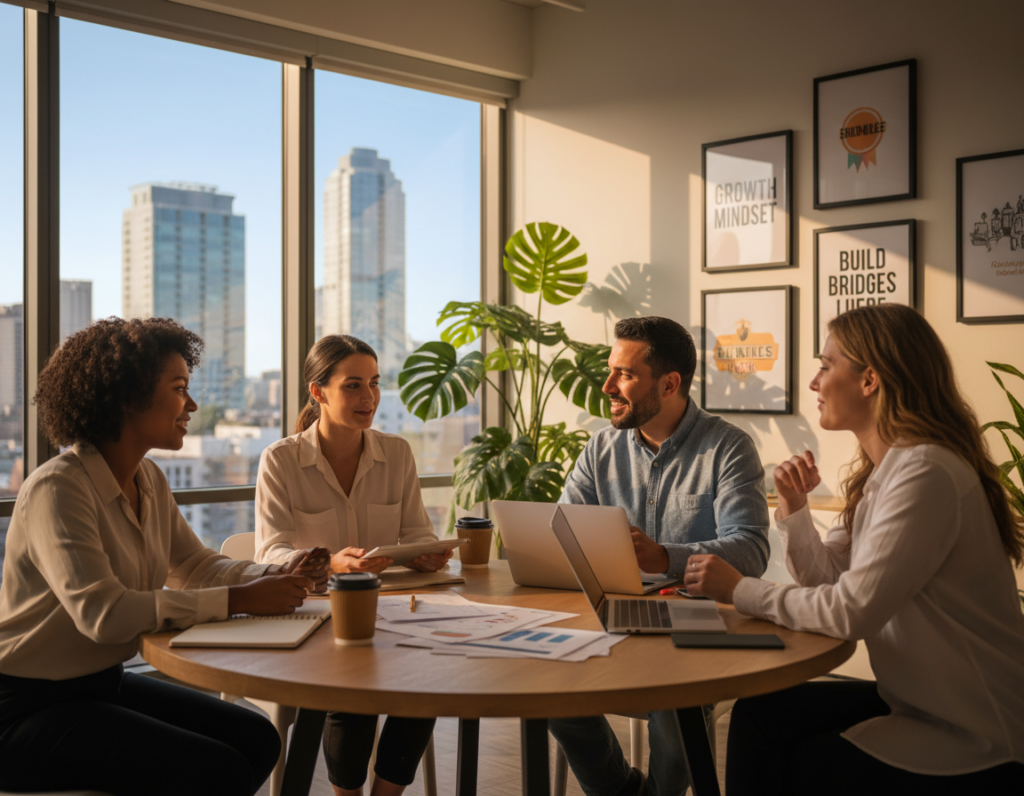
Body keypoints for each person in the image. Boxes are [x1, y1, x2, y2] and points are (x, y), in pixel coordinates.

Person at [686, 304, 1024, 795]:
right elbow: (829, 584)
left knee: (792, 765)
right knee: (760, 716)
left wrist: (741, 590)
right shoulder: (888, 472)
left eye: (826, 366)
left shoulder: (925, 473)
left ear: (870, 380)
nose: (814, 383)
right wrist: (796, 509)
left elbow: (851, 612)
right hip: (921, 700)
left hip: (973, 729)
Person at [0, 317, 321, 796]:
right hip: (25, 707)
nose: (192, 405)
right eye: (178, 388)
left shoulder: (148, 478)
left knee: (256, 739)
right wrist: (239, 598)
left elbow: (195, 566)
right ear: (127, 396)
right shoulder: (58, 488)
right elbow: (104, 615)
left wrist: (274, 574)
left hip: (100, 685)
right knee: (218, 771)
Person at [549, 316, 770, 796]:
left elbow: (751, 550)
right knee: (545, 684)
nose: (607, 384)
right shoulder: (600, 449)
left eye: (624, 374)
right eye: (611, 370)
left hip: (695, 621)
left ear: (669, 384)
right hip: (612, 617)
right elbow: (563, 532)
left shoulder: (728, 448)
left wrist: (664, 556)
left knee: (674, 705)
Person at [255, 334, 447, 796]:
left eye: (376, 384)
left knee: (429, 672)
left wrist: (424, 554)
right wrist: (329, 563)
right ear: (318, 392)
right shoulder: (280, 460)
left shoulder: (396, 453)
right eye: (354, 386)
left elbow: (417, 532)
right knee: (352, 676)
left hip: (390, 610)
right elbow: (268, 554)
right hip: (314, 615)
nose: (370, 398)